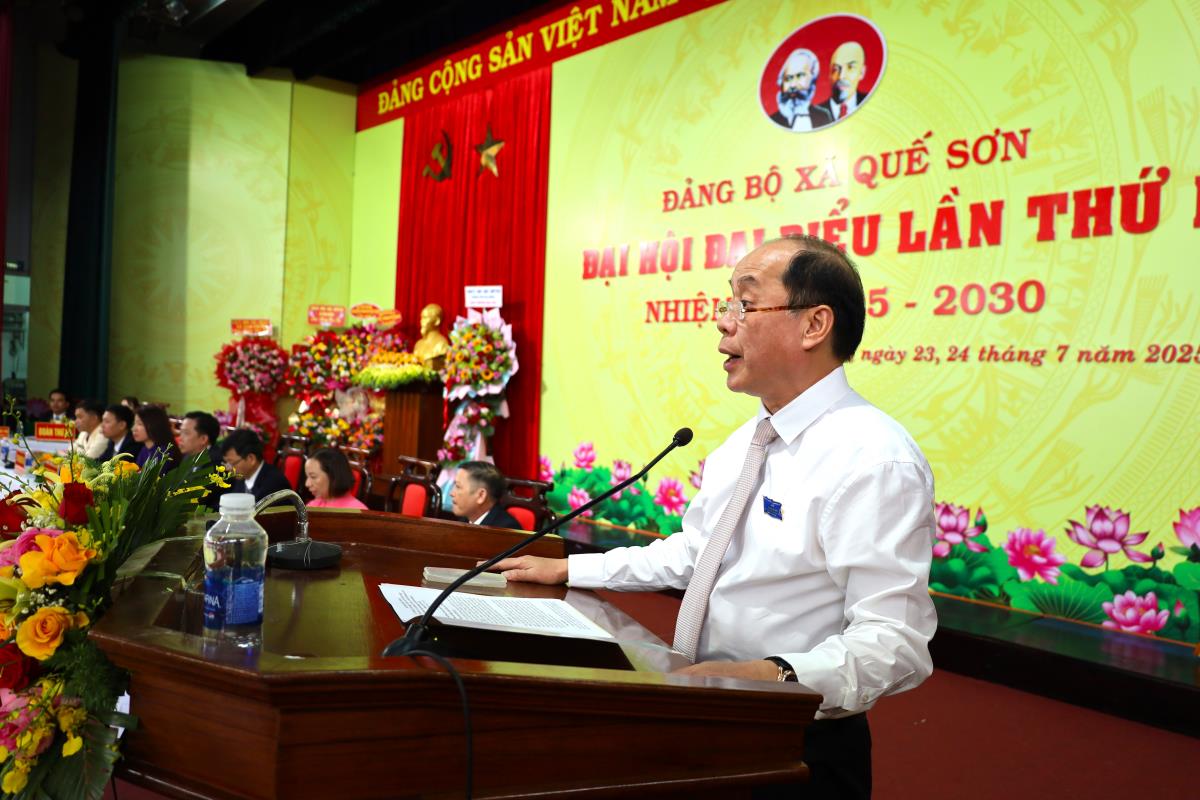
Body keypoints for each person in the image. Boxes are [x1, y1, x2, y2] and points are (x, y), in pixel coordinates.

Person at [492, 235, 936, 799]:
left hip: (797, 739)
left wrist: (772, 675)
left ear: (814, 325)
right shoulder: (745, 442)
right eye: (726, 304)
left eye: (744, 305)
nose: (723, 323)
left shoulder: (874, 458)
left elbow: (895, 641)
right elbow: (696, 553)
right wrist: (572, 570)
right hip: (709, 715)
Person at [768, 48, 832, 131]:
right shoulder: (772, 121)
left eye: (800, 76)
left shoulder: (824, 115)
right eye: (788, 78)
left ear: (812, 79)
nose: (793, 85)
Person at [221, 428, 292, 504]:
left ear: (251, 459)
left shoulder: (275, 485)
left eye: (231, 463)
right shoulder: (240, 478)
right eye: (226, 463)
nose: (227, 468)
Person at [450, 460, 521, 529]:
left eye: (458, 486)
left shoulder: (504, 529)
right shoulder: (464, 520)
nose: (451, 493)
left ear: (481, 495)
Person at [178, 411, 228, 509]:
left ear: (203, 439)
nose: (180, 438)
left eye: (186, 433)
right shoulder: (188, 456)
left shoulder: (216, 463)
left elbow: (197, 500)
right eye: (181, 432)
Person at [814, 41, 868, 123]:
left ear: (862, 72)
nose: (841, 76)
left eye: (850, 67)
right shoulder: (814, 114)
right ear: (829, 74)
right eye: (836, 69)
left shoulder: (872, 101)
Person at [132, 405, 180, 472]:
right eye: (134, 423)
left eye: (139, 424)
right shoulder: (145, 449)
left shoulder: (164, 452)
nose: (134, 429)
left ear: (154, 425)